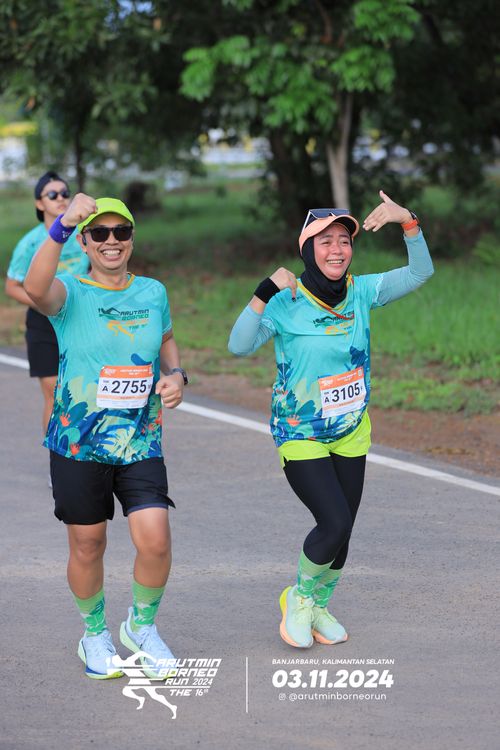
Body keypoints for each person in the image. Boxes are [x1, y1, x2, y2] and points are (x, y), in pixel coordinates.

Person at [228, 191, 434, 648]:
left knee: (345, 529)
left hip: (351, 430)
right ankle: (299, 599)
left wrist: (408, 222)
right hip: (300, 433)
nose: (337, 250)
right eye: (325, 241)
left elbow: (420, 272)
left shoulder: (362, 292)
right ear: (307, 249)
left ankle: (320, 605)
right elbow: (239, 346)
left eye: (344, 241)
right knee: (334, 522)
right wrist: (263, 292)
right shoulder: (286, 301)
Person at [24, 193, 188, 679]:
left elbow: (166, 341)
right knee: (88, 544)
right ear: (85, 241)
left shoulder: (152, 292)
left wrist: (176, 375)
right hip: (79, 443)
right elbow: (34, 288)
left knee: (155, 541)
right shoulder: (70, 292)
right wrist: (62, 226)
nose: (111, 241)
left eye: (121, 231)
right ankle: (94, 634)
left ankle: (141, 626)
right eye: (99, 232)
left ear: (132, 238)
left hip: (140, 440)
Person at [5, 171, 89, 437]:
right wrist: (42, 303)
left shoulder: (84, 235)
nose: (61, 198)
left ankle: (84, 452)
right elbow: (12, 286)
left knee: (82, 390)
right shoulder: (30, 242)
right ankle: (56, 456)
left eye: (65, 193)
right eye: (52, 195)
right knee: (54, 392)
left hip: (79, 317)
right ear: (39, 203)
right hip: (43, 322)